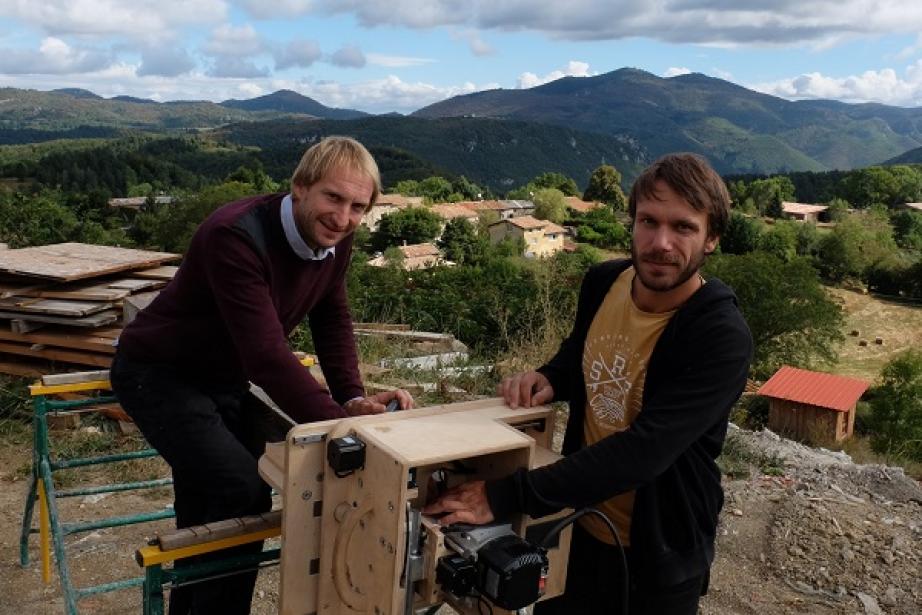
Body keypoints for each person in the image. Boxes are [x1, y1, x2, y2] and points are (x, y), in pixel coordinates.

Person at [424, 153, 753, 614]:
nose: (660, 242)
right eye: (648, 221)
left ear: (712, 238)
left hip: (657, 553)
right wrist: (550, 378)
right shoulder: (605, 281)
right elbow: (581, 354)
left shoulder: (720, 336)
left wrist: (504, 496)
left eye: (683, 227)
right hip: (574, 524)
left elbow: (646, 451)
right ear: (632, 221)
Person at [111, 136, 413, 615]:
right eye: (333, 198)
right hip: (159, 372)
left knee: (205, 508)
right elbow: (267, 358)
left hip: (221, 378)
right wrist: (340, 427)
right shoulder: (235, 235)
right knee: (242, 486)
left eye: (358, 206)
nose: (343, 217)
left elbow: (330, 315)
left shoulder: (338, 235)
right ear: (300, 187)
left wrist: (352, 398)